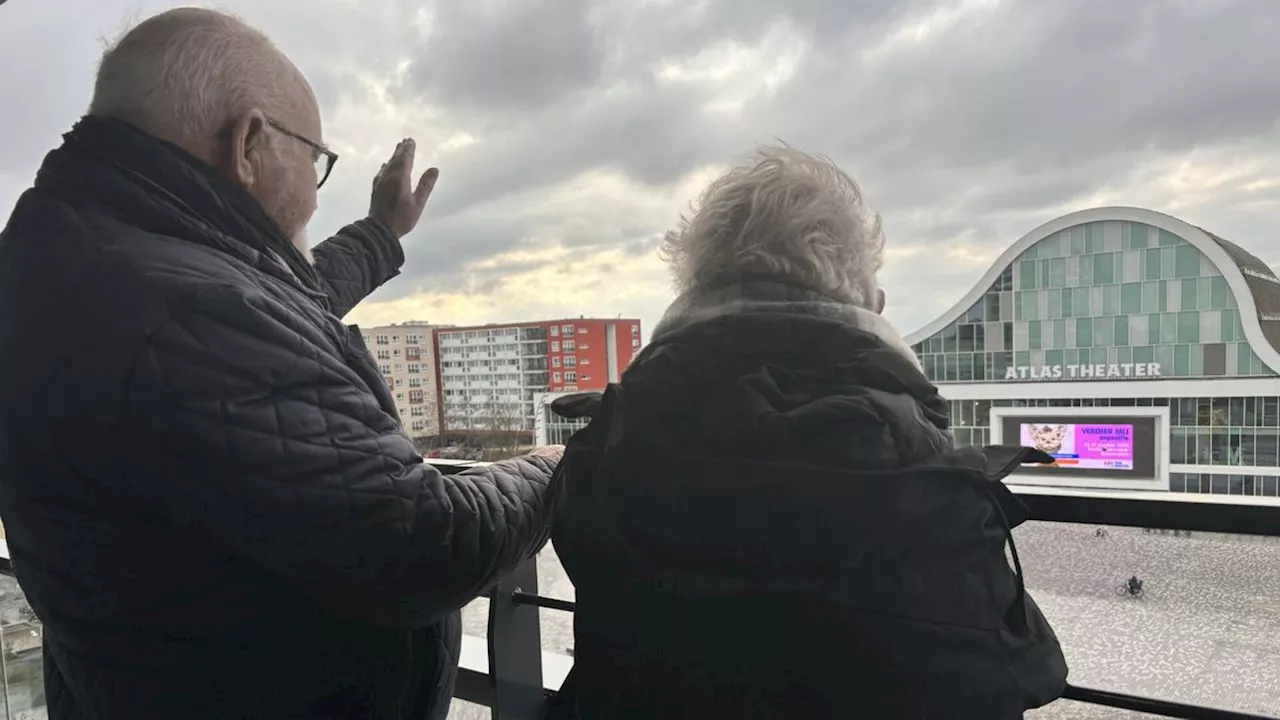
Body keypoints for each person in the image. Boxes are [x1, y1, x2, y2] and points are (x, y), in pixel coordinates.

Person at [0, 9, 561, 720]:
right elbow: (421, 540)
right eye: (315, 159)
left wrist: (380, 234)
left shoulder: (83, 256)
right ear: (251, 143)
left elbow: (260, 309)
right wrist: (557, 465)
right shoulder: (175, 311)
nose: (316, 188)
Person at [545, 146, 1068, 719]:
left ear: (693, 289)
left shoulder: (608, 455)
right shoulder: (926, 486)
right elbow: (1015, 675)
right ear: (873, 305)